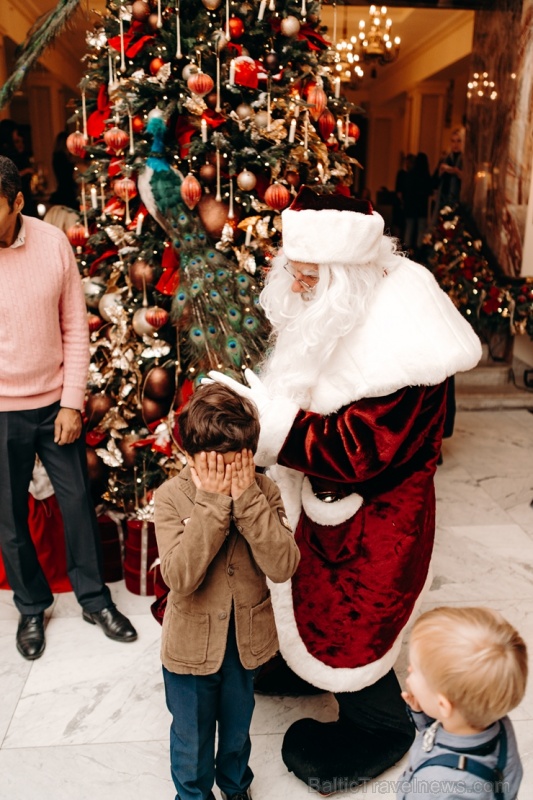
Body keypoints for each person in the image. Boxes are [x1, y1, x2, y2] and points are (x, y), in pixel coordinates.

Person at [209, 186, 482, 792]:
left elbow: (362, 448)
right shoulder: (337, 300)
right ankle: (306, 664)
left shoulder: (406, 334)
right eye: (294, 274)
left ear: (345, 269)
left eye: (311, 278)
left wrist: (269, 425)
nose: (299, 287)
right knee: (309, 593)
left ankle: (379, 726)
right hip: (324, 503)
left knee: (354, 621)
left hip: (377, 518)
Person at [0, 155, 137, 660]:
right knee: (11, 519)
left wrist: (72, 402)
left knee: (78, 504)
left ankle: (94, 599)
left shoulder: (53, 243)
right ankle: (31, 606)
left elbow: (76, 328)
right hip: (1, 412)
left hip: (55, 403)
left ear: (18, 202)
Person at [154, 382, 300, 800]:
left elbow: (284, 566)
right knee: (191, 741)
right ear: (188, 454)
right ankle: (193, 795)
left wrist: (247, 499)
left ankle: (236, 787)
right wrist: (214, 503)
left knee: (236, 733)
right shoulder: (171, 498)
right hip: (190, 649)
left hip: (245, 643)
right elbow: (180, 577)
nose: (223, 473)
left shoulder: (263, 491)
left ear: (249, 457)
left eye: (233, 463)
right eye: (211, 464)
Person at [399, 606, 527, 800]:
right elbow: (442, 732)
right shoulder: (498, 725)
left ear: (443, 705)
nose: (408, 669)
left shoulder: (435, 786)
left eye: (414, 669)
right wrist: (421, 713)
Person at [0, 119, 38, 217]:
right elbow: (6, 176)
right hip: (14, 195)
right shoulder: (6, 152)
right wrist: (26, 171)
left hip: (23, 193)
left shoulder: (15, 152)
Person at [403, 152, 432, 255]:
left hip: (410, 206)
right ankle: (419, 250)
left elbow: (406, 190)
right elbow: (430, 190)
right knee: (420, 229)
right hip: (421, 206)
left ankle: (407, 250)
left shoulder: (410, 174)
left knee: (409, 228)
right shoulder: (425, 175)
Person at [432, 127, 464, 220]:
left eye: (458, 141)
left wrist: (456, 171)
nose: (455, 144)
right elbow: (434, 182)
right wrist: (440, 172)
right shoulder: (446, 159)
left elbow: (467, 181)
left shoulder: (464, 160)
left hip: (458, 200)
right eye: (453, 141)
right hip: (443, 199)